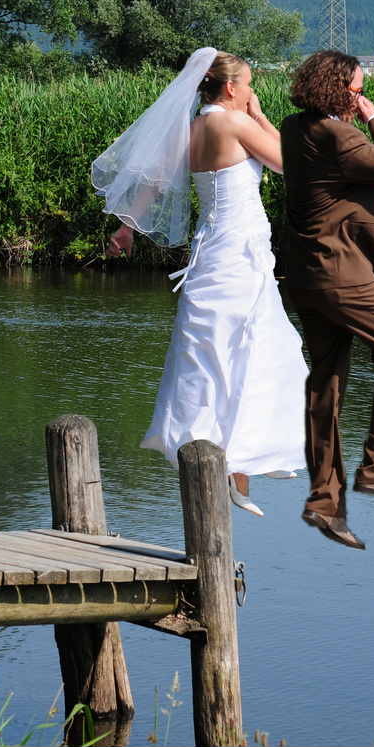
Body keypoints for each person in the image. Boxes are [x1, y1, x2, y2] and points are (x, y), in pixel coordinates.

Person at [93, 47, 306, 516]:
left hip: (214, 252)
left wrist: (127, 226)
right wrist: (263, 116)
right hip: (238, 255)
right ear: (230, 88)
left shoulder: (192, 129)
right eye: (249, 85)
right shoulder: (234, 122)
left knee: (218, 352)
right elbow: (290, 163)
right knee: (253, 347)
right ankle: (246, 461)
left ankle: (248, 461)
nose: (252, 93)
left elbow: (154, 180)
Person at [279, 49, 374, 553]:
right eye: (357, 89)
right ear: (338, 89)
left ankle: (325, 503)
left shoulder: (294, 127)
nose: (362, 96)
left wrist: (370, 191)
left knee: (326, 384)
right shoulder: (342, 133)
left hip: (303, 275)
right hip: (340, 274)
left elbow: (326, 189)